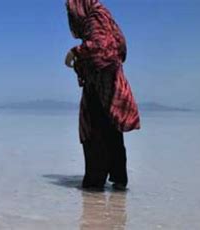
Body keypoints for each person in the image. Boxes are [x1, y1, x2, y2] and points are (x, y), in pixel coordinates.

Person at [65, 0, 140, 190]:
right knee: (110, 131)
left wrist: (76, 52)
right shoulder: (103, 15)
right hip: (110, 82)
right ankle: (118, 183)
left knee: (94, 132)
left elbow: (102, 45)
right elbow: (120, 47)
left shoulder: (96, 17)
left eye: (71, 10)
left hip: (101, 84)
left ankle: (94, 186)